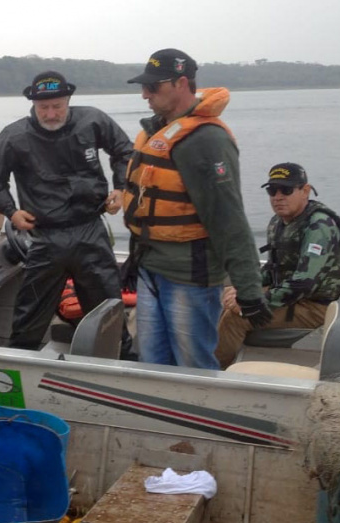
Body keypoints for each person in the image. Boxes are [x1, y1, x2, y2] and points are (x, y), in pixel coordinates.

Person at [123, 48, 271, 369]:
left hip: (190, 279)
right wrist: (135, 260)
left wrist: (248, 290)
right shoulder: (157, 132)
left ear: (181, 83)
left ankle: (201, 416)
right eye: (143, 87)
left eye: (153, 87)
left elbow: (229, 220)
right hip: (150, 270)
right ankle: (161, 417)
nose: (145, 94)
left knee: (193, 365)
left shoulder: (207, 141)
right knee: (151, 360)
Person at [0, 71, 136, 359]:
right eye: (44, 108)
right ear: (33, 106)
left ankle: (123, 362)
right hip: (44, 236)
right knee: (31, 311)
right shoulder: (14, 136)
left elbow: (124, 151)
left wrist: (121, 188)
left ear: (68, 101)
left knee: (108, 305)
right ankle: (21, 364)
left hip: (90, 229)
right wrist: (11, 212)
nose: (51, 114)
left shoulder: (93, 120)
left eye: (57, 106)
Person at [215, 163, 340, 368]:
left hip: (316, 305)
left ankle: (211, 373)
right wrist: (244, 289)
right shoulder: (279, 222)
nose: (278, 197)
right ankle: (213, 356)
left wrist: (253, 301)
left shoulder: (319, 226)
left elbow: (303, 283)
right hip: (293, 296)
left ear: (305, 191)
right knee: (223, 298)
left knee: (236, 317)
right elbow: (272, 268)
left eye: (286, 190)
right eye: (272, 190)